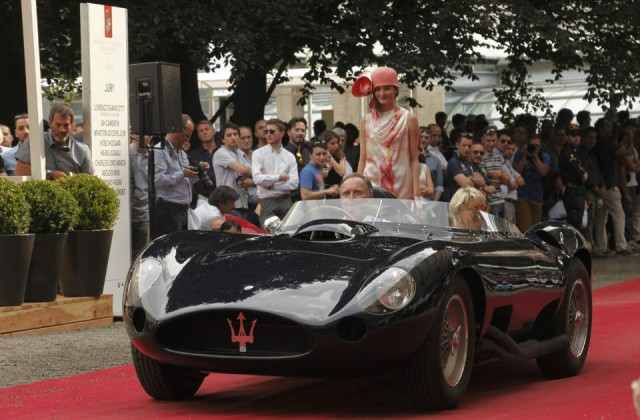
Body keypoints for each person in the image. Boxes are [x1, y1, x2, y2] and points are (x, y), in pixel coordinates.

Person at [355, 67, 420, 199]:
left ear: (395, 90)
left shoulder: (408, 118)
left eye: (387, 88)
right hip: (372, 184)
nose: (382, 93)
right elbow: (363, 158)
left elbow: (414, 159)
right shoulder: (365, 120)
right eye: (377, 89)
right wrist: (357, 186)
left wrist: (416, 193)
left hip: (401, 185)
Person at [14, 104, 93, 178]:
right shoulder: (34, 142)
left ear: (72, 125)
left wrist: (69, 177)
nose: (62, 129)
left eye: (66, 125)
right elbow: (20, 171)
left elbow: (90, 181)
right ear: (50, 123)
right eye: (58, 125)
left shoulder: (82, 150)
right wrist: (49, 175)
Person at [251, 119, 299, 225]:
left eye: (272, 132)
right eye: (266, 132)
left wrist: (271, 186)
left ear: (282, 133)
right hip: (267, 201)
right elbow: (257, 179)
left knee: (289, 232)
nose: (268, 134)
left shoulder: (289, 156)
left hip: (286, 200)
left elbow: (294, 183)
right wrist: (279, 177)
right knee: (270, 233)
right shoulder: (258, 154)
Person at [152, 130, 197, 238]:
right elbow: (158, 181)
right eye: (186, 136)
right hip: (168, 209)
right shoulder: (160, 150)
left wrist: (196, 173)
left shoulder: (182, 153)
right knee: (170, 248)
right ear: (176, 132)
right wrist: (182, 174)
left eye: (190, 137)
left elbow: (186, 182)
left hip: (184, 208)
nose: (187, 140)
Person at [513, 134, 551, 232]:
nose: (534, 148)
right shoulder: (520, 154)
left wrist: (535, 157)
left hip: (537, 195)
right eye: (532, 145)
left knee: (536, 228)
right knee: (525, 228)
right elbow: (516, 172)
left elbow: (543, 172)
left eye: (537, 146)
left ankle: (534, 247)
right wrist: (525, 156)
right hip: (522, 195)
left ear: (540, 146)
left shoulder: (544, 155)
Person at [129, 133, 150, 257]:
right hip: (134, 213)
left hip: (144, 214)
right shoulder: (129, 153)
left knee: (141, 255)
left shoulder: (150, 152)